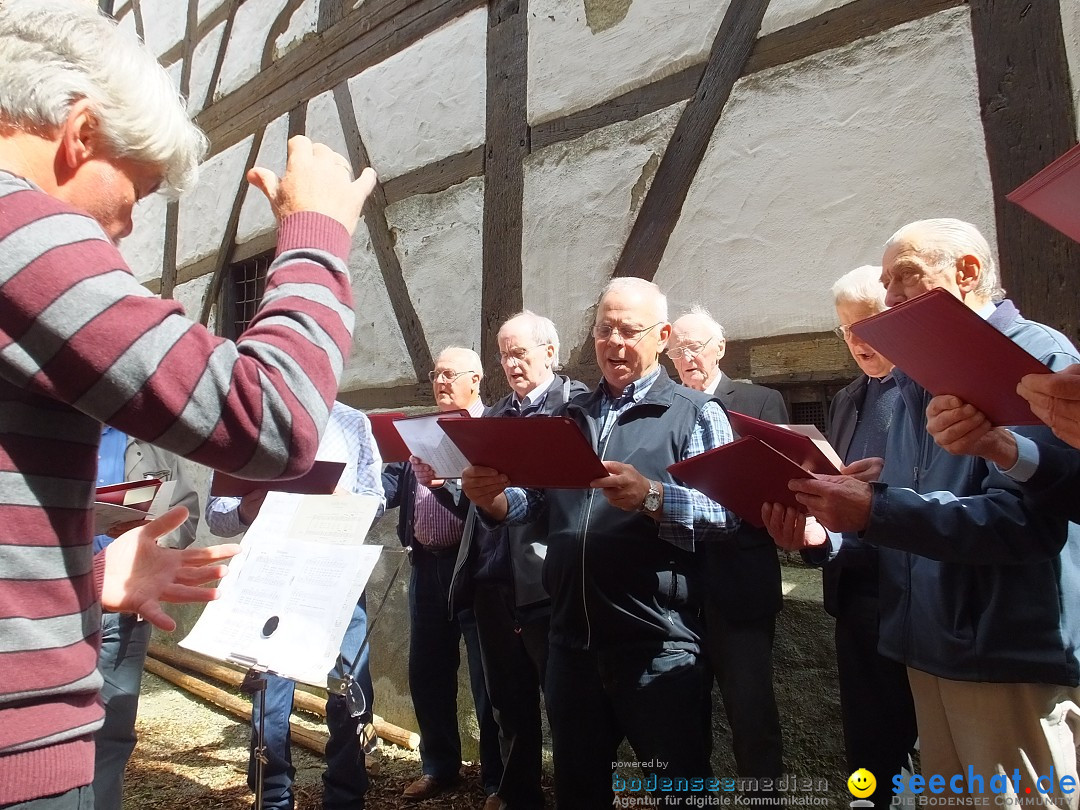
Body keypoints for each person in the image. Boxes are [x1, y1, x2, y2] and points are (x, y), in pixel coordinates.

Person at [0, 2, 376, 805]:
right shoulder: (19, 223)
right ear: (79, 133)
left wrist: (87, 569)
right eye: (133, 190)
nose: (130, 230)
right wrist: (315, 235)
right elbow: (272, 417)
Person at [763, 219, 1080, 806]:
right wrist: (825, 534)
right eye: (885, 283)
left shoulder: (1038, 357)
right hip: (925, 646)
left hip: (1005, 652)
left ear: (968, 272)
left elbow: (1027, 524)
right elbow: (898, 516)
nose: (889, 299)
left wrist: (877, 509)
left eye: (904, 277)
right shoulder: (914, 377)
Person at [463, 278, 737, 807]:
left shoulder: (696, 412)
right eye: (604, 330)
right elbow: (535, 504)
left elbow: (726, 516)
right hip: (571, 644)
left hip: (656, 642)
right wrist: (491, 500)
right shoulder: (571, 417)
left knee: (678, 789)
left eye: (628, 331)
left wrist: (652, 497)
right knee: (580, 789)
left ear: (661, 336)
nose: (614, 343)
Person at [414, 313, 589, 810]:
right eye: (504, 356)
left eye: (521, 354)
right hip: (491, 576)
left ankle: (575, 791)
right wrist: (446, 486)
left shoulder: (576, 409)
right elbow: (479, 501)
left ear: (550, 353)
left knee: (564, 701)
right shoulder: (495, 419)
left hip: (548, 578)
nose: (511, 365)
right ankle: (516, 792)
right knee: (506, 699)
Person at [205, 402, 384, 810]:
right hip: (272, 572)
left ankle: (345, 795)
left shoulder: (353, 421)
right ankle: (273, 796)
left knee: (352, 687)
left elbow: (376, 500)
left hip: (335, 573)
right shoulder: (249, 424)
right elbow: (216, 514)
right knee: (270, 691)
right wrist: (246, 508)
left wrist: (347, 501)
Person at [804, 268, 917, 808]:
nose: (857, 341)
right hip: (853, 590)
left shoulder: (923, 392)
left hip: (915, 590)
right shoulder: (847, 398)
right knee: (866, 737)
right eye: (845, 329)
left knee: (918, 746)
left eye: (867, 323)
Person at [668, 307, 786, 806]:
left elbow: (782, 484)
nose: (688, 356)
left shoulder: (759, 401)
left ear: (721, 348)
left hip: (740, 582)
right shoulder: (665, 408)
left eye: (697, 346)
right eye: (678, 349)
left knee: (751, 716)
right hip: (674, 590)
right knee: (681, 720)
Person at [382, 347, 502, 803]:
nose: (442, 382)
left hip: (474, 565)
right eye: (437, 374)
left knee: (487, 674)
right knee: (427, 670)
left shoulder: (487, 429)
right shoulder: (422, 429)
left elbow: (495, 497)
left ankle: (495, 778)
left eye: (451, 375)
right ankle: (438, 767)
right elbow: (394, 484)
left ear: (476, 379)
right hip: (426, 564)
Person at [92, 429, 200, 810]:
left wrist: (153, 545)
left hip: (124, 615)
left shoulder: (151, 437)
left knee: (113, 735)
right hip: (57, 606)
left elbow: (187, 513)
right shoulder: (44, 422)